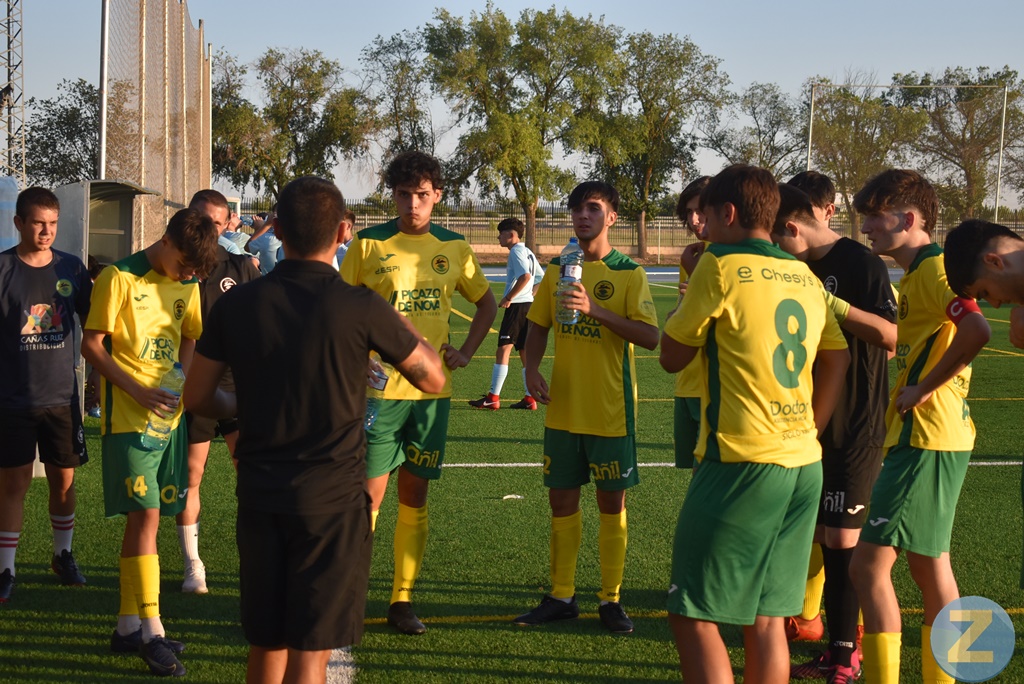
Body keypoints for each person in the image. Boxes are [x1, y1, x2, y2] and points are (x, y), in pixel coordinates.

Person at [183, 176, 445, 684]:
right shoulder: (361, 305)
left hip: (260, 491)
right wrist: (395, 318)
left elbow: (196, 398)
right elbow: (431, 376)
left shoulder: (238, 303)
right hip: (332, 500)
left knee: (266, 643)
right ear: (344, 230)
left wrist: (246, 402)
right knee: (312, 651)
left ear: (276, 229)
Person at [659, 164, 849, 682]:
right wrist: (811, 426)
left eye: (704, 215)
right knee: (767, 619)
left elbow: (672, 356)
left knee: (691, 613)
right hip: (803, 463)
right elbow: (837, 357)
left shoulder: (718, 264)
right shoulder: (802, 273)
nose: (700, 225)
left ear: (728, 213)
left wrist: (690, 285)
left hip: (741, 459)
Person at [340, 150, 497, 635]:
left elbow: (487, 304)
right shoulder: (368, 245)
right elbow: (339, 311)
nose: (413, 204)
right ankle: (349, 594)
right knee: (367, 498)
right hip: (379, 396)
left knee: (416, 495)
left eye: (423, 195)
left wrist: (467, 351)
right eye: (405, 194)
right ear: (393, 195)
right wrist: (358, 361)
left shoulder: (456, 247)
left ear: (438, 196)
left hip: (431, 396)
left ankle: (401, 600)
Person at [847, 170, 990, 684]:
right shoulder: (917, 275)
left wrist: (923, 387)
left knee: (867, 569)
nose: (865, 227)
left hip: (927, 435)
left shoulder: (932, 270)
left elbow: (977, 328)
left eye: (872, 216)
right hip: (929, 437)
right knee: (930, 568)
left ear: (907, 219)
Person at [514, 181, 659, 634]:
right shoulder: (558, 270)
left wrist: (595, 310)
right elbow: (537, 326)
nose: (582, 216)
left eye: (593, 209)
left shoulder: (629, 273)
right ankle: (561, 595)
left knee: (610, 506)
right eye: (576, 208)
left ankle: (611, 600)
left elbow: (651, 336)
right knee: (561, 503)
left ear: (612, 217)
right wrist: (530, 369)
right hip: (562, 409)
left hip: (610, 411)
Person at [82, 208, 218, 677]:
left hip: (169, 421)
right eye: (184, 264)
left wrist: (179, 377)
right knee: (146, 518)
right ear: (165, 240)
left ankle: (126, 628)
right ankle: (153, 632)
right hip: (129, 419)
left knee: (148, 522)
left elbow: (190, 337)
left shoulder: (188, 284)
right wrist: (135, 388)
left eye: (194, 271)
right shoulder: (119, 277)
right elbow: (92, 344)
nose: (187, 275)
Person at [772, 179, 898, 682]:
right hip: (811, 420)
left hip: (858, 423)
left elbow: (890, 337)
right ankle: (833, 647)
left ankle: (848, 656)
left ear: (791, 225)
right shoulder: (793, 266)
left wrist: (837, 307)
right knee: (826, 536)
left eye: (775, 235)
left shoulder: (861, 264)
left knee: (845, 542)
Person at [0, 187, 92, 603]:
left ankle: (64, 555)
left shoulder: (72, 268)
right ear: (18, 223)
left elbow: (95, 325)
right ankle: (6, 568)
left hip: (61, 399)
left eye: (52, 224)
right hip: (12, 400)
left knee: (63, 480)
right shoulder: (2, 270)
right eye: (38, 223)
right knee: (13, 484)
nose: (46, 231)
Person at [174, 189, 261, 595]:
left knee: (255, 474)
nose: (209, 228)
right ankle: (194, 565)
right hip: (194, 386)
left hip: (241, 385)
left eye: (217, 221)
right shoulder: (177, 269)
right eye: (201, 219)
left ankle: (259, 560)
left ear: (229, 224)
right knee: (191, 476)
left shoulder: (243, 267)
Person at [469, 217, 542, 411]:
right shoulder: (528, 252)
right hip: (527, 306)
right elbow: (539, 278)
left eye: (501, 233)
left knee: (504, 349)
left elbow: (526, 276)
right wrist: (529, 296)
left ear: (511, 235)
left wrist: (509, 297)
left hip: (517, 307)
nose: (498, 237)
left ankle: (493, 397)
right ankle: (530, 398)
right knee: (524, 352)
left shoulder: (516, 252)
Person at [669, 176, 710, 470]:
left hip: (712, 387)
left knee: (706, 479)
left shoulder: (727, 259)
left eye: (700, 211)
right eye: (688, 213)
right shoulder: (694, 255)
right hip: (686, 382)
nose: (694, 221)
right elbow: (678, 319)